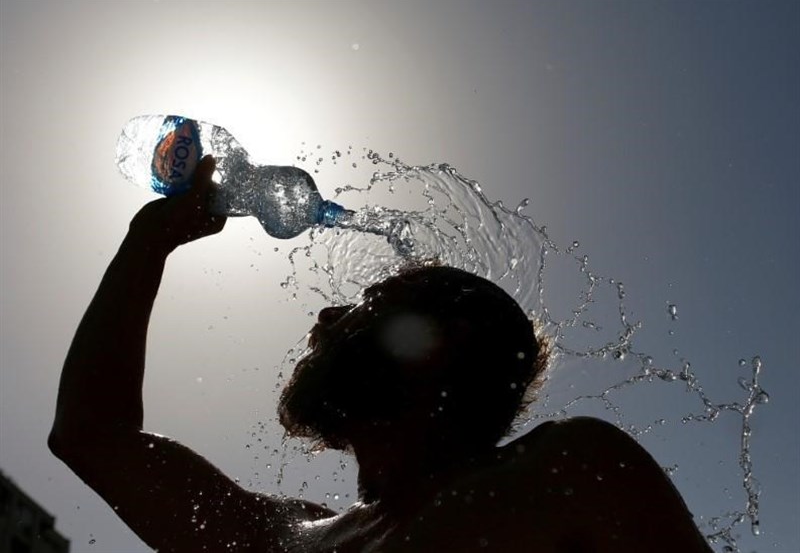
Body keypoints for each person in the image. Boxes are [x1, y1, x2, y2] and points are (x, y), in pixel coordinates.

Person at [49, 156, 713, 553]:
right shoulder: (289, 535)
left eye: (371, 299)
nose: (328, 314)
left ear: (440, 342)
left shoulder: (565, 475)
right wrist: (148, 241)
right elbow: (93, 436)